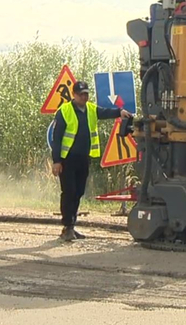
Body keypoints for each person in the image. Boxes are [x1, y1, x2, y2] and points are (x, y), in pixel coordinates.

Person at [51, 81, 132, 241]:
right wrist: (56, 161)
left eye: (86, 94)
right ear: (74, 95)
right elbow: (57, 138)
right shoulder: (64, 111)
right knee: (69, 192)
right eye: (81, 94)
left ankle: (72, 226)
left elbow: (105, 112)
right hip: (67, 160)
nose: (84, 97)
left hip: (83, 158)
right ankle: (67, 226)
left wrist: (120, 112)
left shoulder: (91, 109)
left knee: (79, 192)